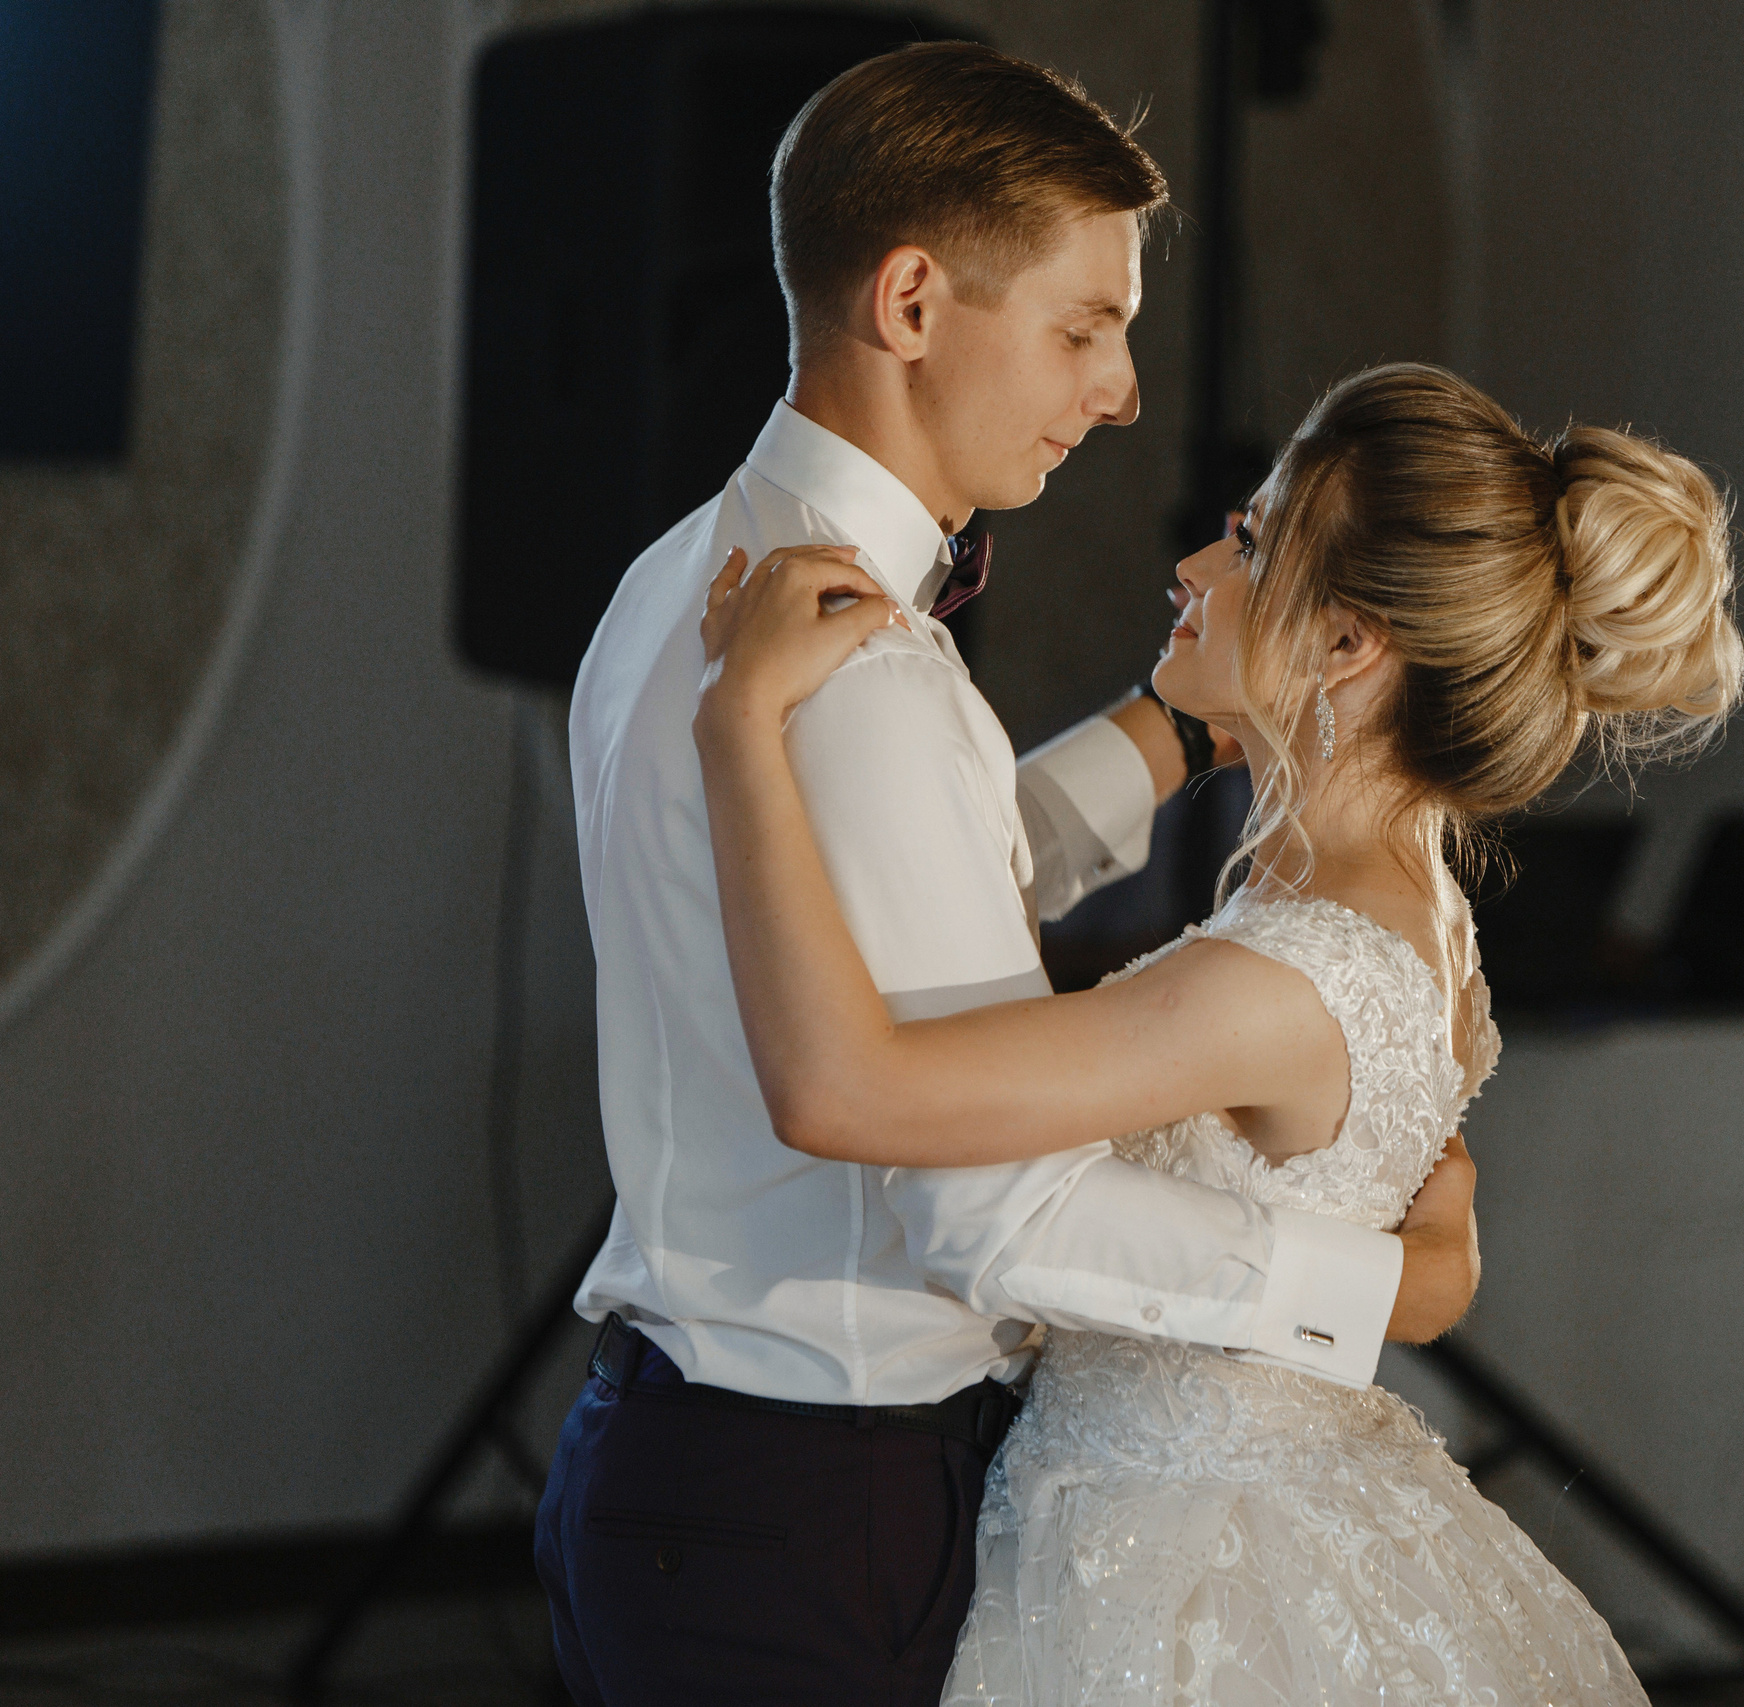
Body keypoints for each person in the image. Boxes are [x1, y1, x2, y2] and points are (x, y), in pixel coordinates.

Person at [538, 45, 1481, 1707]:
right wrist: (1377, 1290)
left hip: (686, 1466)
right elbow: (985, 1204)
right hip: (808, 1505)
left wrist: (1183, 736)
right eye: (1083, 327)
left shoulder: (680, 577)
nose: (1120, 392)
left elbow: (934, 889)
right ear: (913, 302)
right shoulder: (865, 679)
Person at [693, 361, 1744, 1705]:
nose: (1194, 559)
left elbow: (854, 1088)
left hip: (1173, 1571)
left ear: (1351, 645)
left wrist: (737, 725)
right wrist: (1206, 714)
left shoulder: (1281, 974)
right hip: (1280, 1493)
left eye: (1249, 540)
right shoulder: (1411, 904)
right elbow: (981, 876)